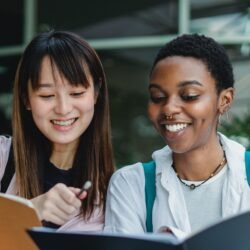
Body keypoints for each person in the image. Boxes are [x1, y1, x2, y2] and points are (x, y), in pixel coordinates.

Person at [104, 34, 250, 234]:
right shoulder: (131, 185)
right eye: (158, 97)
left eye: (189, 96)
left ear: (224, 100)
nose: (169, 109)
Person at [0, 30, 115, 231]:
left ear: (96, 93)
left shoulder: (115, 193)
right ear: (26, 98)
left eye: (76, 93)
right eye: (46, 95)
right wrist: (29, 210)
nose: (63, 109)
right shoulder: (2, 159)